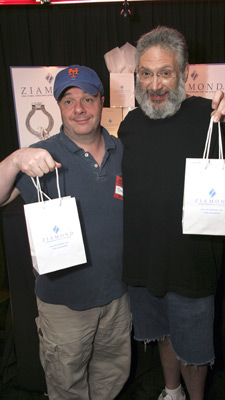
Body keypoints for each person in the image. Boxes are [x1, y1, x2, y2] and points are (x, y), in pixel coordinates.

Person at [118, 26, 225, 400]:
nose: (155, 84)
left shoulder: (210, 116)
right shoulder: (130, 125)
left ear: (184, 74)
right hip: (142, 263)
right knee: (164, 335)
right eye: (146, 73)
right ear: (137, 75)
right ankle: (172, 392)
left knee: (195, 352)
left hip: (192, 265)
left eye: (165, 72)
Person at [0, 65, 132, 400]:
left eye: (88, 98)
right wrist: (15, 159)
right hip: (64, 305)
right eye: (69, 100)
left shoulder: (123, 152)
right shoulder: (40, 156)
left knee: (111, 377)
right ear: (58, 107)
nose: (79, 109)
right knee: (66, 385)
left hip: (118, 297)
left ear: (102, 101)